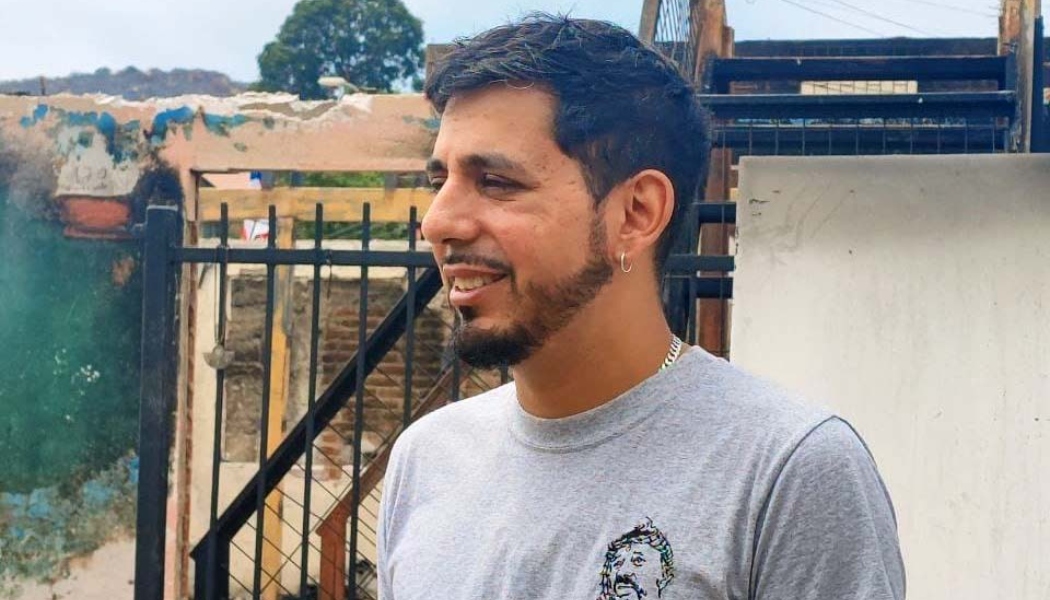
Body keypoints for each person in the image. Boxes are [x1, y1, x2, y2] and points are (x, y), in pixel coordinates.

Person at [377, 14, 905, 600]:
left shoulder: (787, 470)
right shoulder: (426, 460)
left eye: (497, 182)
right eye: (439, 182)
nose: (438, 222)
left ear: (636, 213)